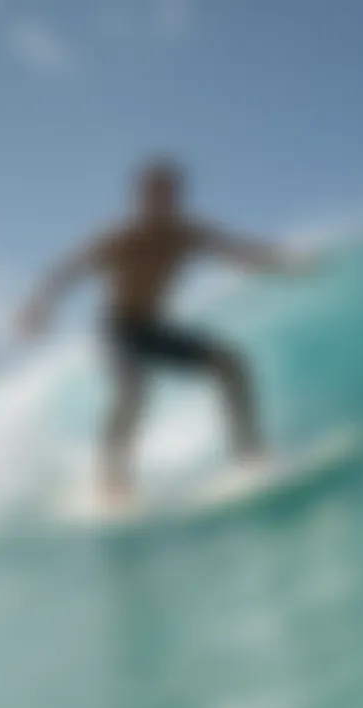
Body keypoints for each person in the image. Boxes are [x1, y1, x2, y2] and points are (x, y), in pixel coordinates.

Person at [18, 159, 312, 508]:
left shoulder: (186, 235)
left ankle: (250, 455)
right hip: (118, 328)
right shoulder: (121, 239)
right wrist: (40, 306)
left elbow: (239, 250)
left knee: (229, 364)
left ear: (177, 197)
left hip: (153, 327)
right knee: (134, 389)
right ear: (140, 197)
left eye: (169, 193)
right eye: (154, 193)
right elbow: (67, 270)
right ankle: (112, 480)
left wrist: (285, 264)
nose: (162, 201)